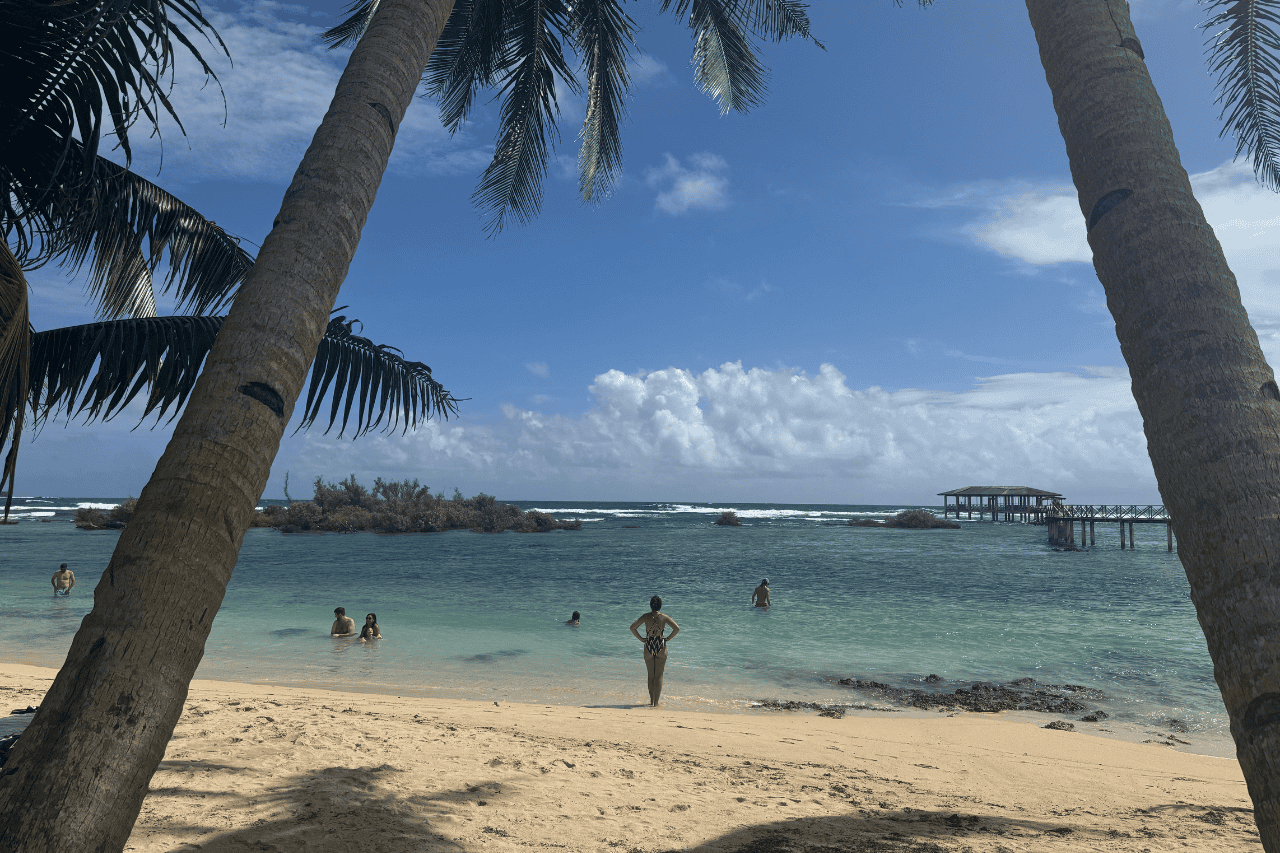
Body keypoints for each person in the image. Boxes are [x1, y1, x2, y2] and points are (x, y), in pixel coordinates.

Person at [629, 596, 680, 707]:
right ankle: (656, 704)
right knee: (659, 676)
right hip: (660, 644)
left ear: (650, 605)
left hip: (649, 644)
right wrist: (668, 638)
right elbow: (676, 628)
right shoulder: (664, 617)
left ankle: (651, 701)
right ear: (660, 606)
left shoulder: (646, 617)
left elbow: (633, 628)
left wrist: (642, 639)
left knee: (650, 675)